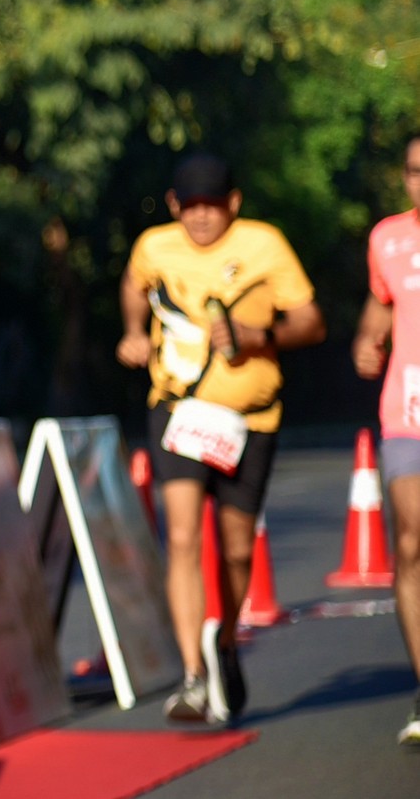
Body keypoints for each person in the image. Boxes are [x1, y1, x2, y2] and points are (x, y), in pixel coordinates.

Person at [119, 152, 324, 727]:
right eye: (191, 206)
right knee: (183, 537)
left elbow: (312, 322)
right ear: (174, 205)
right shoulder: (154, 246)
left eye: (213, 205)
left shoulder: (265, 245)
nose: (201, 216)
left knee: (237, 550)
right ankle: (191, 676)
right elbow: (134, 285)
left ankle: (224, 641)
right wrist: (133, 332)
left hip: (250, 419)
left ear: (233, 203)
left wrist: (259, 336)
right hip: (179, 411)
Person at [350, 133, 420, 747]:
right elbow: (380, 307)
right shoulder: (387, 238)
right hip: (407, 412)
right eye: (416, 171)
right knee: (411, 541)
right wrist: (365, 343)